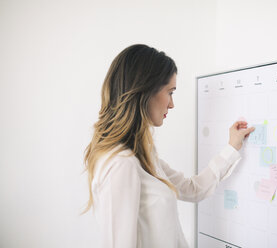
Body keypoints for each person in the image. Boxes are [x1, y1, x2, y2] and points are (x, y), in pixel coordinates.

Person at [82, 44, 255, 248]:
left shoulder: (143, 154)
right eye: (170, 92)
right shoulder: (121, 164)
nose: (172, 104)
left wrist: (232, 147)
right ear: (145, 91)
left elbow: (193, 189)